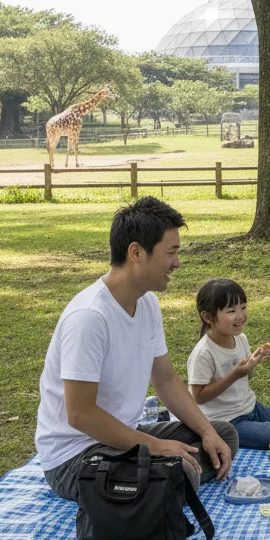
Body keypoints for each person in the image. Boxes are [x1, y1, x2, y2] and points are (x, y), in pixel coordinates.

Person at [35, 198, 238, 501]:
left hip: (123, 437)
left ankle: (161, 483)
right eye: (171, 252)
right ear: (136, 252)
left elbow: (166, 380)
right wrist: (155, 447)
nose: (177, 263)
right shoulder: (89, 317)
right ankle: (164, 483)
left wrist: (207, 432)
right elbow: (80, 414)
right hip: (75, 455)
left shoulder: (147, 303)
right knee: (178, 473)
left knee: (223, 436)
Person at [187, 278, 270, 448]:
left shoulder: (240, 338)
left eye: (243, 307)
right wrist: (234, 375)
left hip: (250, 407)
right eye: (231, 310)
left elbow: (244, 379)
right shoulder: (203, 353)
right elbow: (198, 397)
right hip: (223, 420)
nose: (240, 315)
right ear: (208, 317)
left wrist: (251, 366)